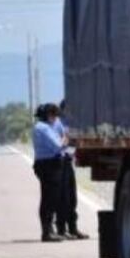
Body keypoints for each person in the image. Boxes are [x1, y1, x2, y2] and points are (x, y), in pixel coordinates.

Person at [32, 103, 66, 242]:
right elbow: (58, 145)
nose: (54, 118)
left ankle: (49, 230)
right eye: (53, 115)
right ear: (47, 115)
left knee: (51, 198)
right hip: (48, 165)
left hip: (50, 164)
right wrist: (66, 139)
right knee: (49, 198)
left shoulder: (46, 127)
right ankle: (47, 232)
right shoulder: (43, 128)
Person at [53, 100, 88, 239]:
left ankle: (73, 228)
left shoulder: (72, 123)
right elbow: (60, 142)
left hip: (68, 161)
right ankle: (61, 229)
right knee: (62, 197)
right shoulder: (58, 124)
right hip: (59, 161)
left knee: (71, 197)